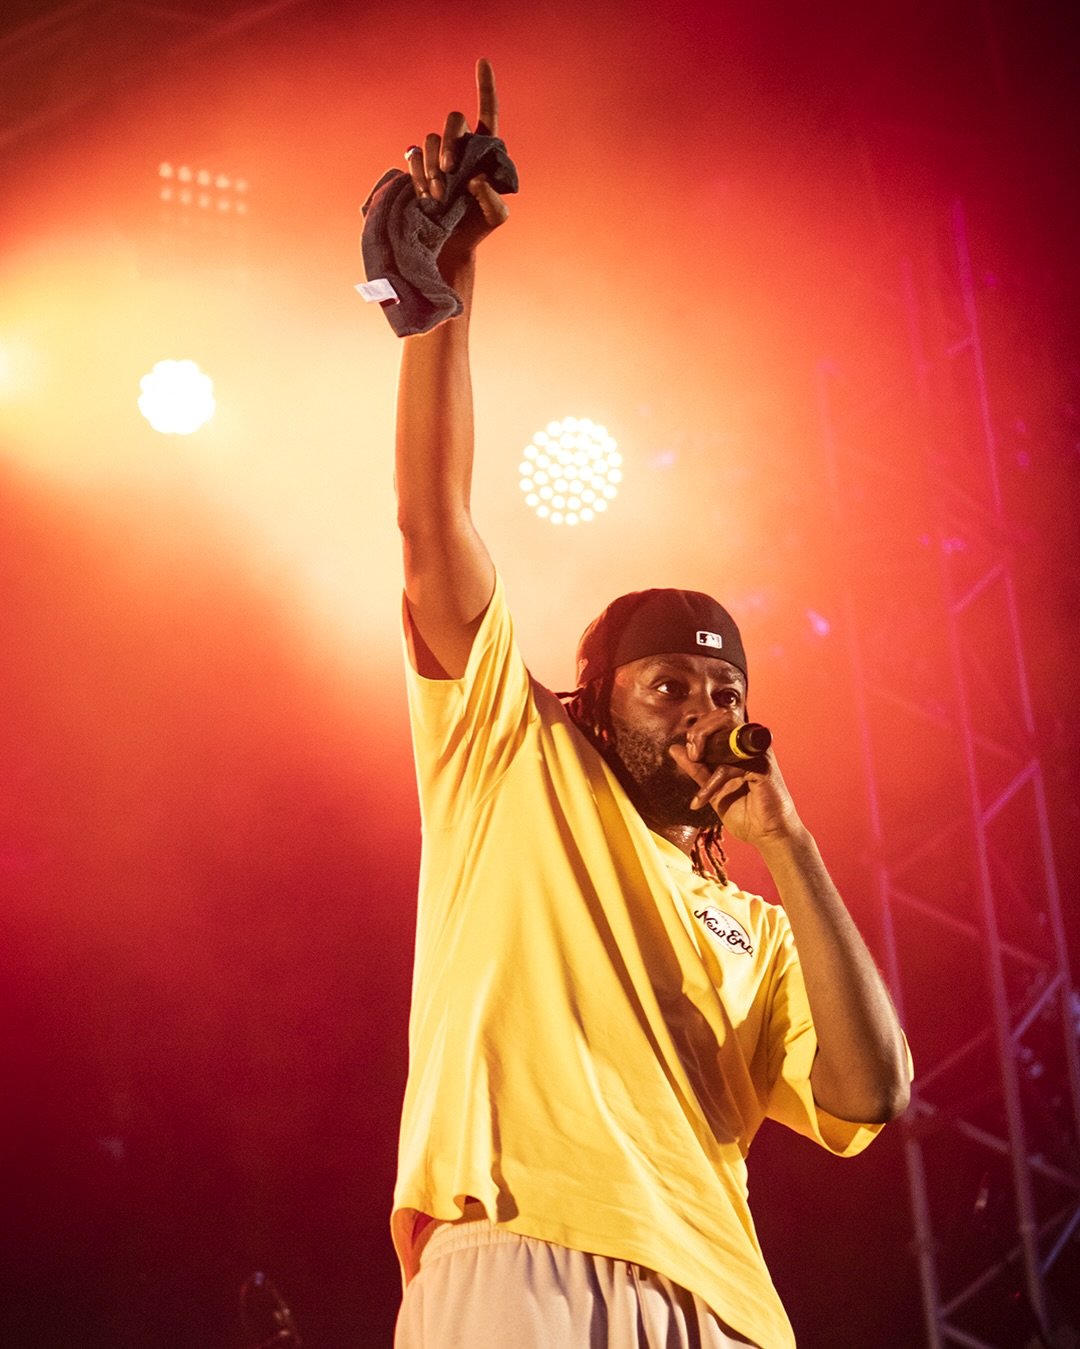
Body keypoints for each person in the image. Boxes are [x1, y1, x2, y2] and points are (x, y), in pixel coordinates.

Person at [383, 59, 911, 1349]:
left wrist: (793, 845)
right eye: (670, 683)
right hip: (521, 1252)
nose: (703, 709)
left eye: (725, 688)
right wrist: (441, 302)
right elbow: (434, 528)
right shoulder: (517, 758)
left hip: (723, 1302)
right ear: (598, 698)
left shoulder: (760, 928)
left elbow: (873, 1094)